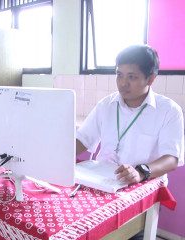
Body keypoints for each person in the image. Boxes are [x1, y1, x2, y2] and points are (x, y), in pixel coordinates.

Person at [76, 45, 184, 186]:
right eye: (119, 75)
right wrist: (54, 151)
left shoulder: (169, 111)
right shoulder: (106, 105)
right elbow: (83, 140)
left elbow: (171, 159)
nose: (123, 83)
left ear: (150, 79)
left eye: (131, 77)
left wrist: (140, 172)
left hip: (144, 183)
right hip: (103, 180)